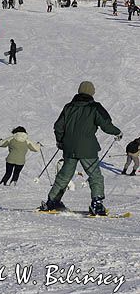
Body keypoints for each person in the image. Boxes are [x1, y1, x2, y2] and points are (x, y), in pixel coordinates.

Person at [40, 81, 122, 215]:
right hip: (87, 149)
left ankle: (52, 201)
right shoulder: (95, 107)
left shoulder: (68, 107)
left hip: (69, 147)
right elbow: (106, 124)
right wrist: (117, 132)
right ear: (91, 92)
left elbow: (58, 127)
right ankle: (96, 204)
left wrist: (60, 141)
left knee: (64, 175)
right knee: (95, 176)